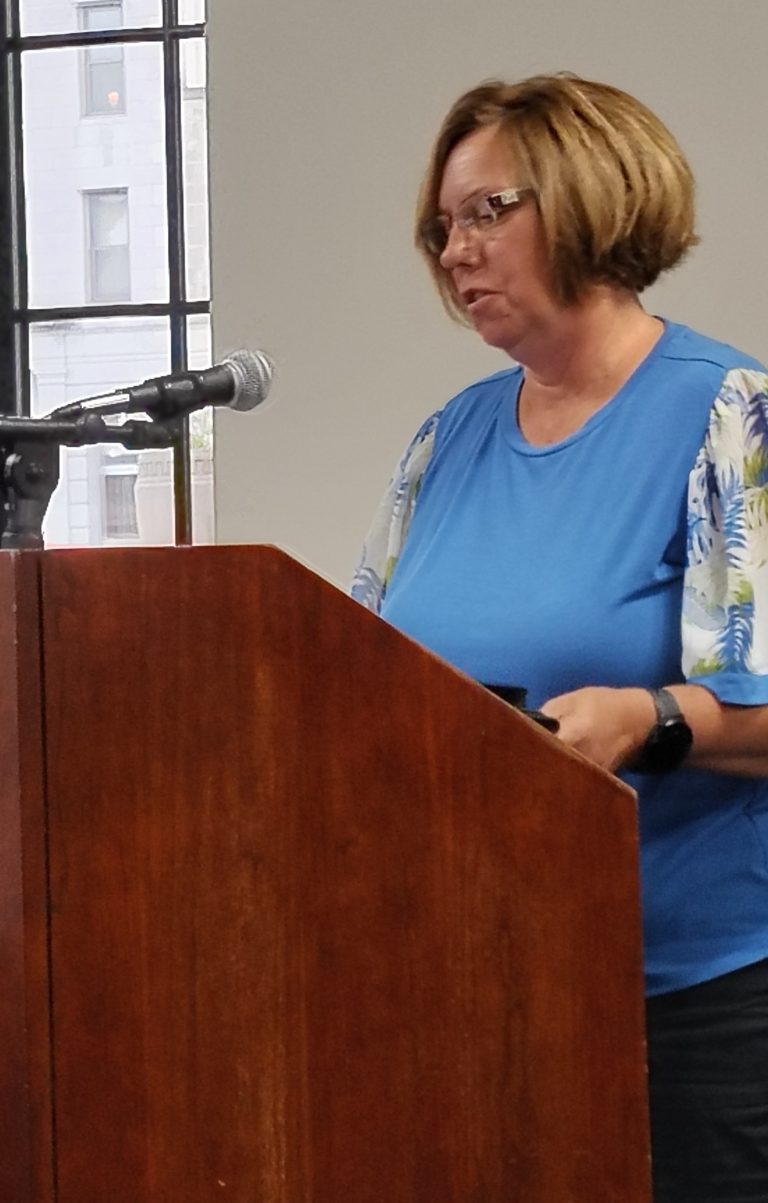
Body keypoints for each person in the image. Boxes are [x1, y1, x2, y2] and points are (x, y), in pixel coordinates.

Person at [351, 73, 768, 1203]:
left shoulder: (730, 417)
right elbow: (350, 667)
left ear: (594, 196)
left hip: (688, 1007)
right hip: (474, 983)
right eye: (442, 226)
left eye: (488, 211)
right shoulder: (448, 438)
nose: (455, 250)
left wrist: (647, 719)